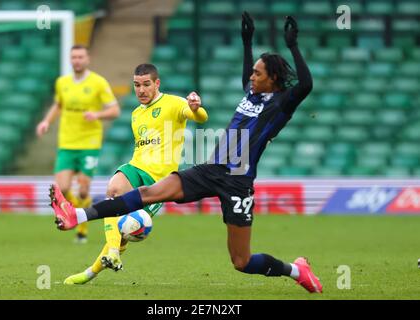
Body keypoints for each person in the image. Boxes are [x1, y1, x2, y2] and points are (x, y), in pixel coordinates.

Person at [50, 14, 322, 293]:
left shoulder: (281, 104)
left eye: (258, 74)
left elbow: (306, 85)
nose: (251, 77)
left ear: (273, 79)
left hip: (238, 181)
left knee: (241, 261)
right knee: (147, 193)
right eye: (252, 72)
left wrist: (293, 46)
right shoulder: (250, 93)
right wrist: (247, 41)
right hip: (210, 169)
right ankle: (77, 216)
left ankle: (297, 270)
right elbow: (246, 75)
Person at [62, 63, 208, 284]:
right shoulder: (136, 114)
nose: (141, 90)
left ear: (157, 83)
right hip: (137, 167)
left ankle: (92, 271)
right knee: (113, 189)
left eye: (146, 84)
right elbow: (141, 147)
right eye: (136, 85)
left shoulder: (174, 103)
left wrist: (196, 107)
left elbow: (200, 118)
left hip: (161, 181)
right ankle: (112, 251)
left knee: (123, 235)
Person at [36, 44, 120, 244]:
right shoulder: (62, 83)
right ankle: (73, 212)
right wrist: (46, 121)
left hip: (89, 143)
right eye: (74, 57)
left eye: (80, 57)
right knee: (63, 188)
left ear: (87, 59)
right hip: (66, 143)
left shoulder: (98, 83)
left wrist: (97, 114)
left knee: (83, 190)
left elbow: (115, 110)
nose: (77, 60)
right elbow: (58, 104)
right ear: (70, 59)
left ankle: (81, 228)